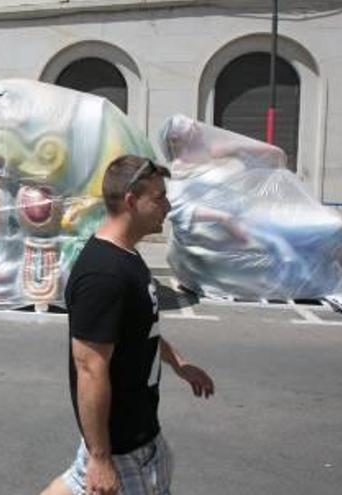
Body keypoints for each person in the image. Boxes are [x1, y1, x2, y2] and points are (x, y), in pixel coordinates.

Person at [41, 154, 215, 495]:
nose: (167, 205)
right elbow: (89, 368)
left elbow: (140, 331)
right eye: (159, 197)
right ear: (132, 201)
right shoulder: (103, 274)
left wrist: (180, 363)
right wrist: (101, 458)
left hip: (141, 434)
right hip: (121, 449)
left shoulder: (128, 256)